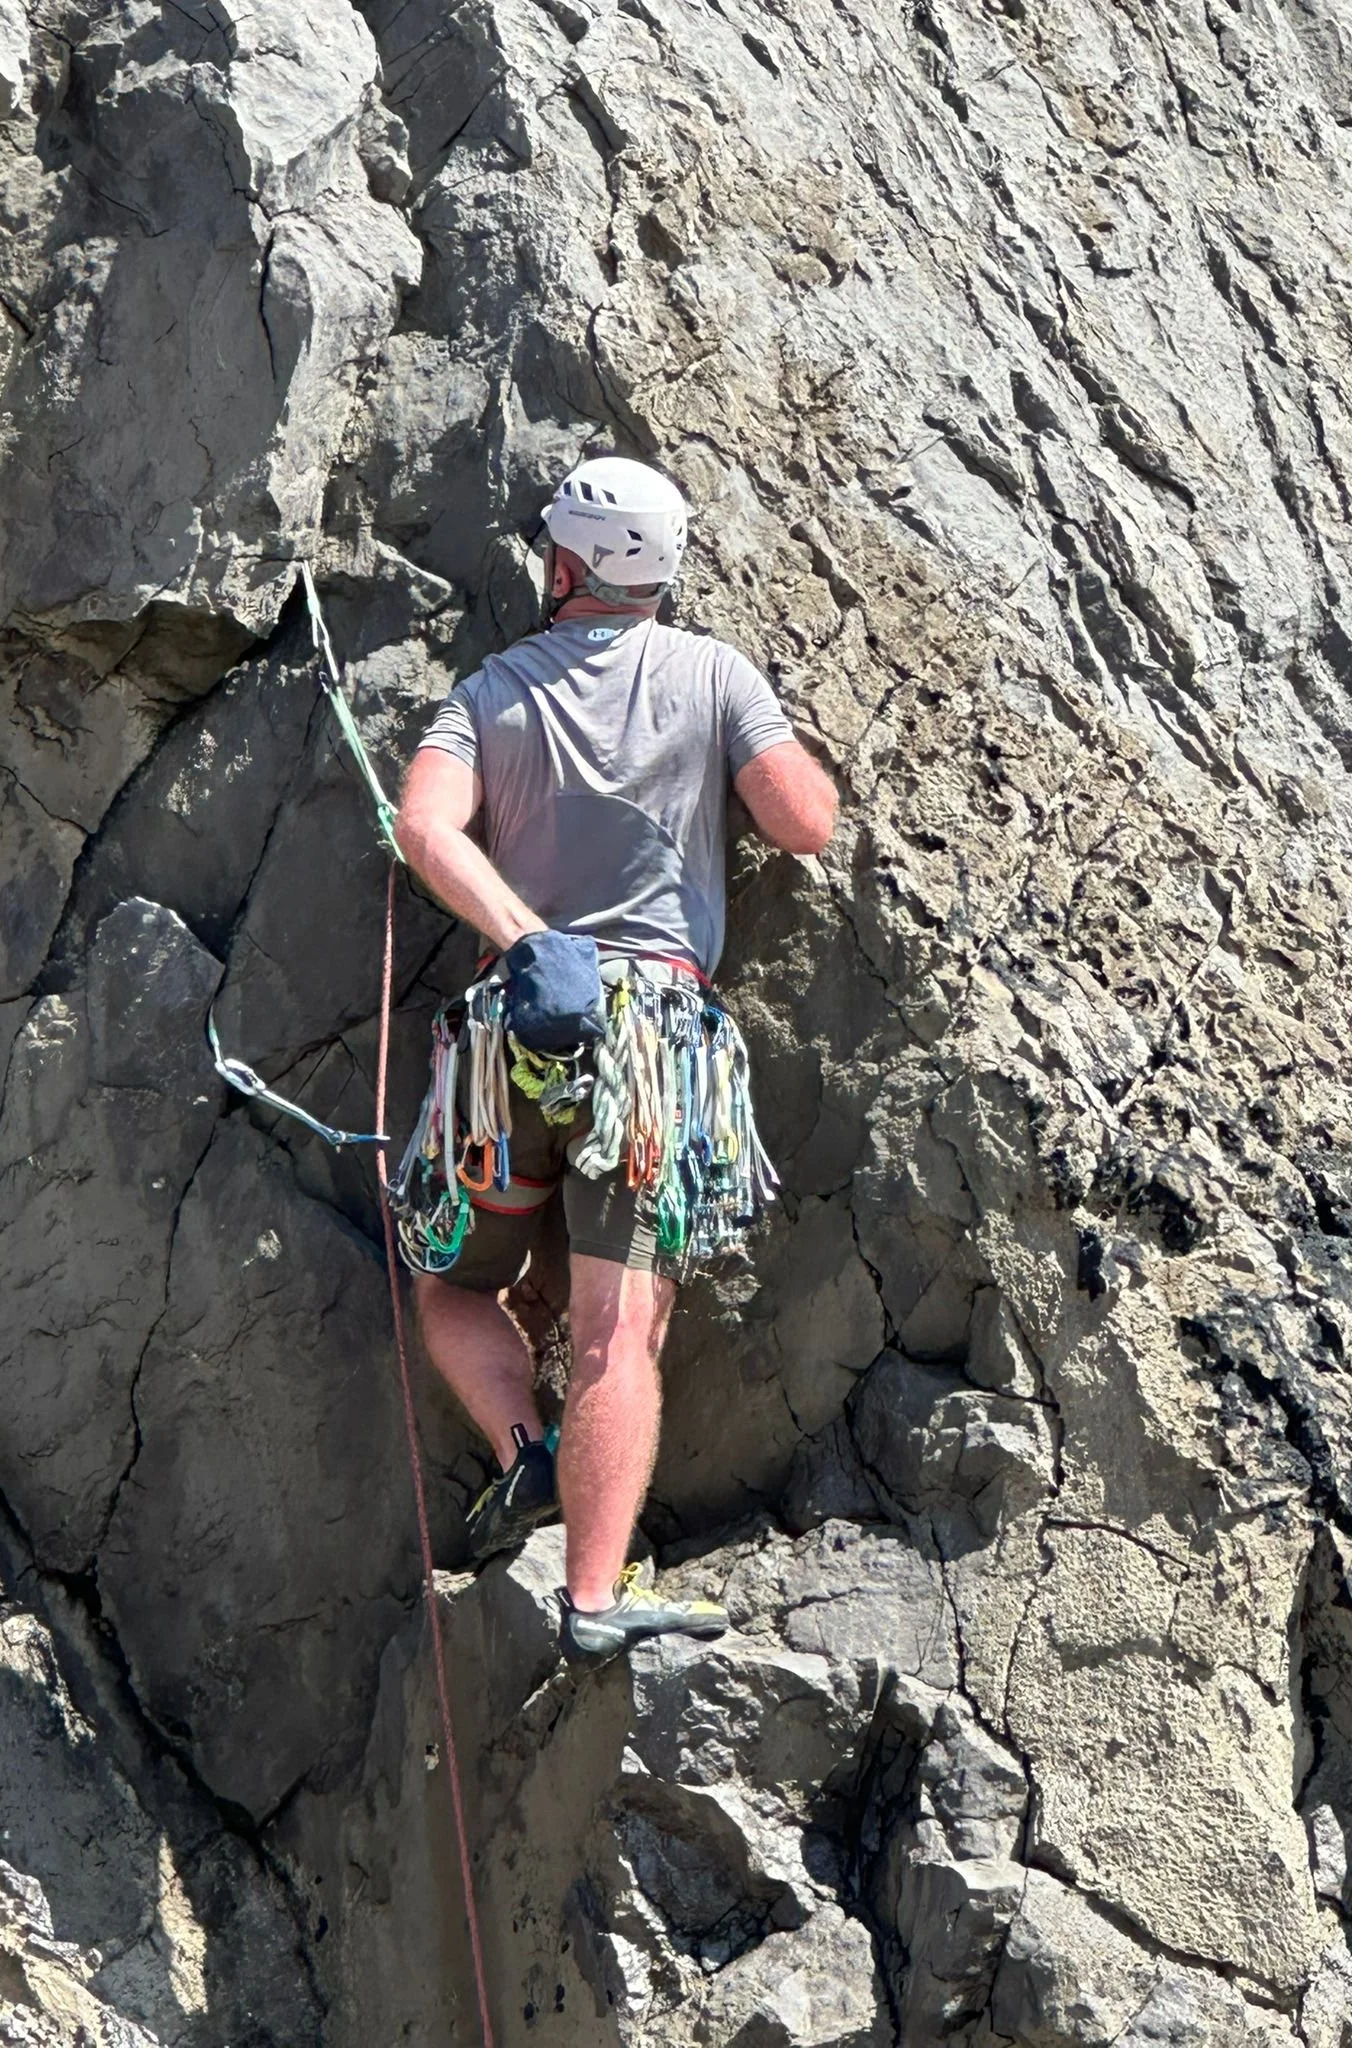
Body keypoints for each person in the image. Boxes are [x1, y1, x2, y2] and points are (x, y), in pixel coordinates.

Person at [393, 455, 837, 1664]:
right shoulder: (713, 675)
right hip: (648, 1051)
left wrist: (527, 937)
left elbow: (424, 824)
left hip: (511, 1041)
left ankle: (524, 1449)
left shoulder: (491, 690)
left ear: (569, 564)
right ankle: (592, 1592)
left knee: (451, 1285)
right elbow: (803, 821)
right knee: (615, 1325)